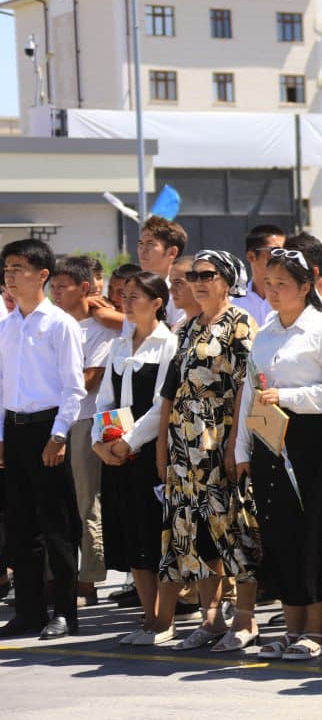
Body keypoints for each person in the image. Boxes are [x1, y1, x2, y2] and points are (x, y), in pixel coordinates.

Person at [128, 250, 258, 649]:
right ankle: (211, 619)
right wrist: (162, 450)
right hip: (184, 450)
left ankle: (245, 621)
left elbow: (244, 391)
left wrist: (236, 446)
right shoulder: (184, 330)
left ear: (228, 279)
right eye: (193, 275)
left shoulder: (241, 326)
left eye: (208, 274)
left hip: (219, 445)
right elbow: (169, 393)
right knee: (194, 535)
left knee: (231, 531)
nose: (199, 282)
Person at [234, 247, 322, 660]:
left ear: (306, 286)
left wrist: (289, 396)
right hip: (269, 439)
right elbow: (251, 389)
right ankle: (290, 627)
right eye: (268, 283)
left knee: (311, 536)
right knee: (280, 537)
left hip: (311, 442)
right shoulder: (266, 332)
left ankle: (315, 631)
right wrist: (242, 449)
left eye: (282, 284)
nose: (273, 292)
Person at [0, 239, 85, 640]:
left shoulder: (60, 324)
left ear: (42, 275)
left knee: (57, 526)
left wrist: (58, 434)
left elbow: (74, 388)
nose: (11, 275)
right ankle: (29, 610)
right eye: (7, 268)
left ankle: (65, 611)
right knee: (19, 526)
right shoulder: (8, 326)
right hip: (14, 430)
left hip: (47, 428)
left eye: (19, 268)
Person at [93, 271, 177, 644]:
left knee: (157, 533)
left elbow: (163, 404)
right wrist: (101, 440)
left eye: (135, 297)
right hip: (118, 453)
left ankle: (166, 619)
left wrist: (129, 441)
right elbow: (105, 400)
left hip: (150, 453)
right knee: (132, 535)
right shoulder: (118, 344)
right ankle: (148, 617)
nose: (126, 303)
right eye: (123, 296)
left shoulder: (168, 344)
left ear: (157, 302)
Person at [49, 256, 117, 607]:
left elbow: (92, 379)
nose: (56, 293)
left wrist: (53, 386)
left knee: (87, 500)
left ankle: (89, 579)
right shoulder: (54, 325)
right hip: (56, 419)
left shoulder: (100, 327)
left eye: (64, 287)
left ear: (85, 288)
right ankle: (58, 574)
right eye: (53, 286)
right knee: (58, 501)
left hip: (88, 420)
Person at [136, 216, 188, 326]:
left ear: (172, 252)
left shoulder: (183, 291)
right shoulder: (133, 288)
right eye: (141, 243)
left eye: (150, 244)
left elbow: (180, 335)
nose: (142, 250)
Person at [233, 224, 286, 328]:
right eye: (275, 251)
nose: (282, 257)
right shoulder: (234, 304)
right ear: (251, 256)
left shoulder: (292, 300)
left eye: (285, 251)